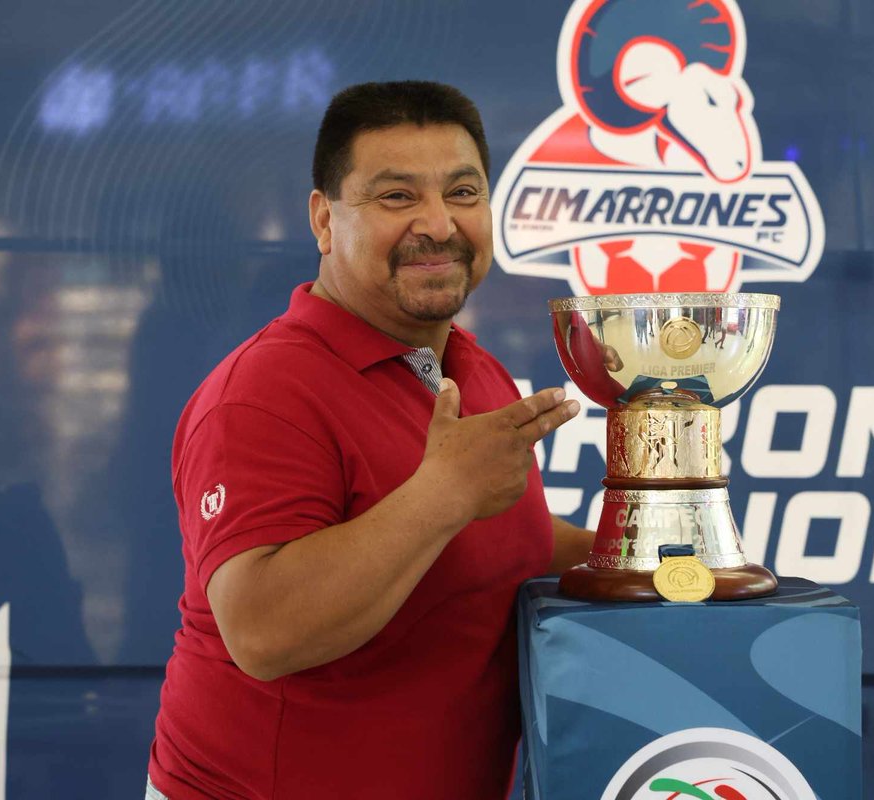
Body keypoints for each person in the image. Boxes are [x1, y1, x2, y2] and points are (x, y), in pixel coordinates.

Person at [146, 81, 595, 800]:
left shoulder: (470, 371)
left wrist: (654, 558)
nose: (438, 223)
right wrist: (442, 494)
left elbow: (508, 542)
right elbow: (262, 632)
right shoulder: (263, 393)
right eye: (396, 197)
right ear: (324, 220)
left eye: (463, 192)